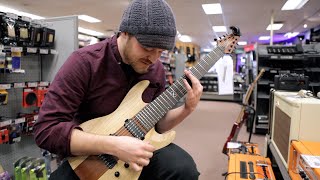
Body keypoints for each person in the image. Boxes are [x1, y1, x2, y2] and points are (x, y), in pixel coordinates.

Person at [33, 0, 203, 179]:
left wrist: (187, 109)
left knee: (183, 168)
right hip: (90, 157)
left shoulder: (156, 70)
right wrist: (114, 145)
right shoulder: (84, 62)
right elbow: (46, 130)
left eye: (160, 52)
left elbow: (157, 125)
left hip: (139, 147)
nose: (153, 58)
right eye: (147, 48)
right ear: (125, 32)